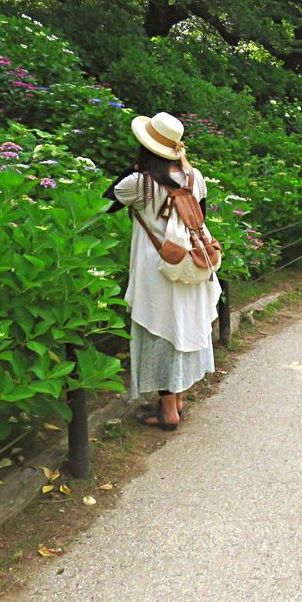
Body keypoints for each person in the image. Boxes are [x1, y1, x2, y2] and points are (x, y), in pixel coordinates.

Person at [105, 112, 220, 431]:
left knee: (161, 330)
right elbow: (200, 215)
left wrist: (136, 167)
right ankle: (178, 400)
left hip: (159, 271)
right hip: (191, 264)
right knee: (182, 327)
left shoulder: (138, 183)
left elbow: (108, 199)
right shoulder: (194, 176)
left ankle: (168, 411)